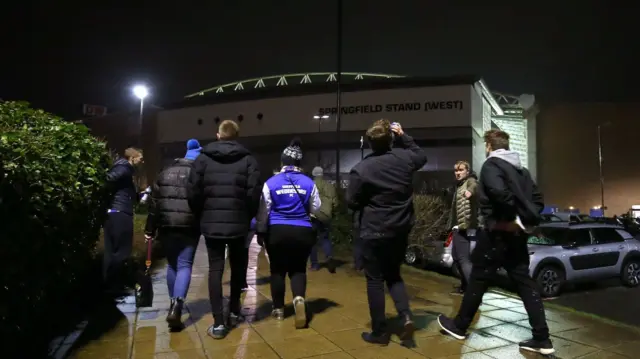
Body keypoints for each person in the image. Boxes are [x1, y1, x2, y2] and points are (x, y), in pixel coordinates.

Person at [437, 129, 554, 355]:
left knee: (478, 278)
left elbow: (499, 195)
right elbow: (538, 199)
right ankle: (542, 338)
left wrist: (511, 219)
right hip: (516, 236)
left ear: (489, 145)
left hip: (496, 233)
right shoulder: (523, 171)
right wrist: (524, 220)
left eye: (486, 146)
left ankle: (460, 326)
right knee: (524, 283)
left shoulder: (491, 166)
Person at [346, 120, 427, 345]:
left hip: (374, 231)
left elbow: (351, 201)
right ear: (391, 138)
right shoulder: (404, 158)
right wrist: (403, 135)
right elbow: (421, 156)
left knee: (374, 280)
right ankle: (406, 315)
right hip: (399, 229)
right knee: (394, 274)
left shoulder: (361, 169)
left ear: (370, 144)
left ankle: (380, 333)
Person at [187, 120, 261, 339]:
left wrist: (202, 213)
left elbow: (192, 192)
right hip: (239, 223)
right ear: (236, 136)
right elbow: (253, 193)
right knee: (238, 268)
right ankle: (235, 311)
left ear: (217, 135)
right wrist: (247, 215)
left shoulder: (202, 159)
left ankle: (219, 322)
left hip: (211, 223)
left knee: (215, 269)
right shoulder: (248, 160)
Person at [255, 138, 321, 329]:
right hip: (302, 231)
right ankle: (299, 300)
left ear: (282, 162)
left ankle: (278, 309)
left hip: (277, 231)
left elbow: (264, 211)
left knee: (277, 270)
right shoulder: (308, 182)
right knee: (298, 269)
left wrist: (261, 231)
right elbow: (316, 208)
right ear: (299, 163)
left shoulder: (271, 182)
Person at [144, 139, 201, 330]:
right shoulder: (197, 175)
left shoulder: (164, 173)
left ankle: (171, 304)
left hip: (166, 226)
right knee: (185, 265)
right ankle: (178, 305)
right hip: (189, 226)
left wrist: (149, 229)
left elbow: (154, 205)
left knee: (172, 265)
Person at [103, 147, 144, 294]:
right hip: (121, 214)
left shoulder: (124, 169)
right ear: (132, 158)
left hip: (114, 213)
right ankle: (113, 283)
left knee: (111, 251)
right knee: (122, 252)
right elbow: (109, 178)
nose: (142, 161)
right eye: (140, 158)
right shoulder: (124, 168)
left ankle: (110, 285)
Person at [447, 160, 479, 295]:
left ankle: (473, 290)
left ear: (467, 171)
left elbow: (474, 186)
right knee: (456, 256)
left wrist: (470, 192)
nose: (458, 173)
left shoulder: (470, 181)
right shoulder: (459, 186)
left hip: (465, 226)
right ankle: (465, 287)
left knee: (463, 259)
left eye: (460, 170)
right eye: (456, 170)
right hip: (458, 226)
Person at [309, 166, 337, 273]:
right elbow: (335, 203)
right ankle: (329, 256)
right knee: (325, 238)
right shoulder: (330, 186)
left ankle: (315, 265)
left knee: (312, 241)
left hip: (313, 216)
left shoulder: (310, 185)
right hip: (326, 216)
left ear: (313, 174)